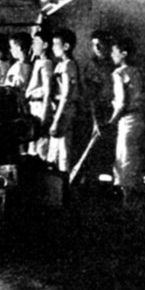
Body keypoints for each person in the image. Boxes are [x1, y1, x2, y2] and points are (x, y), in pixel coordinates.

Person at [104, 37, 145, 208]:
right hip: (138, 119)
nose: (111, 55)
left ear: (124, 53)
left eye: (114, 52)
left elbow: (121, 102)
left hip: (127, 120)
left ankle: (127, 200)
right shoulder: (137, 71)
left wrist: (111, 121)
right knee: (131, 157)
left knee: (124, 158)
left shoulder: (119, 73)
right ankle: (130, 197)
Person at [80, 29, 117, 185]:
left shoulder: (115, 64)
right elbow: (91, 95)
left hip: (114, 109)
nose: (97, 48)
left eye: (100, 45)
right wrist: (96, 119)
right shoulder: (92, 65)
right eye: (94, 45)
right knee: (94, 146)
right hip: (98, 110)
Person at [48, 28, 81, 173]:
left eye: (56, 44)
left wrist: (57, 119)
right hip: (59, 109)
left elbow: (66, 93)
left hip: (65, 111)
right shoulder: (61, 65)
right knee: (54, 151)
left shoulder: (68, 65)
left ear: (66, 46)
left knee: (63, 151)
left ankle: (64, 180)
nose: (53, 48)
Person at [25, 30, 55, 159]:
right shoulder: (38, 62)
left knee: (41, 146)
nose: (33, 46)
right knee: (32, 145)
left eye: (36, 43)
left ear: (45, 45)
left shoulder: (46, 64)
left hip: (41, 106)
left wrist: (45, 114)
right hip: (34, 107)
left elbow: (48, 90)